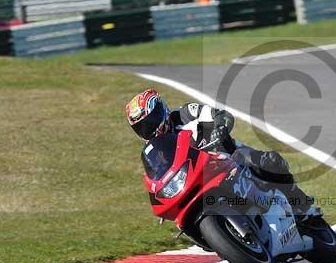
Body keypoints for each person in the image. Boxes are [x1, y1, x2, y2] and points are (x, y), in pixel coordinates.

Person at [126, 89, 321, 218]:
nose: (148, 130)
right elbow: (159, 174)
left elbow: (221, 115)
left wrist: (220, 129)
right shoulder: (156, 150)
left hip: (227, 155)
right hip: (196, 178)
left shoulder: (185, 113)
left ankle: (302, 205)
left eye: (150, 122)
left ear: (161, 110)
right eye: (141, 128)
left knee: (270, 162)